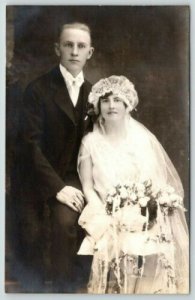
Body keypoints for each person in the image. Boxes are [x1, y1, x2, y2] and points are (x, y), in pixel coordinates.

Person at [77, 75, 189, 294]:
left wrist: (139, 210)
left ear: (127, 104)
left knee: (148, 242)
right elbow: (88, 186)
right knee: (117, 241)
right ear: (98, 105)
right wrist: (104, 212)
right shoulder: (90, 142)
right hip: (105, 211)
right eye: (105, 100)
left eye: (117, 100)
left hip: (138, 210)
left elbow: (150, 182)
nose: (111, 106)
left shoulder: (141, 140)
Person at [12, 22, 94, 292]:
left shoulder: (93, 94)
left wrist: (77, 185)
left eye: (81, 46)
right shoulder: (38, 89)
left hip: (73, 177)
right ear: (57, 48)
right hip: (37, 177)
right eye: (68, 45)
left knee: (66, 223)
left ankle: (64, 291)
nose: (74, 51)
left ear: (89, 53)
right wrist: (57, 187)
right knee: (31, 234)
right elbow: (28, 145)